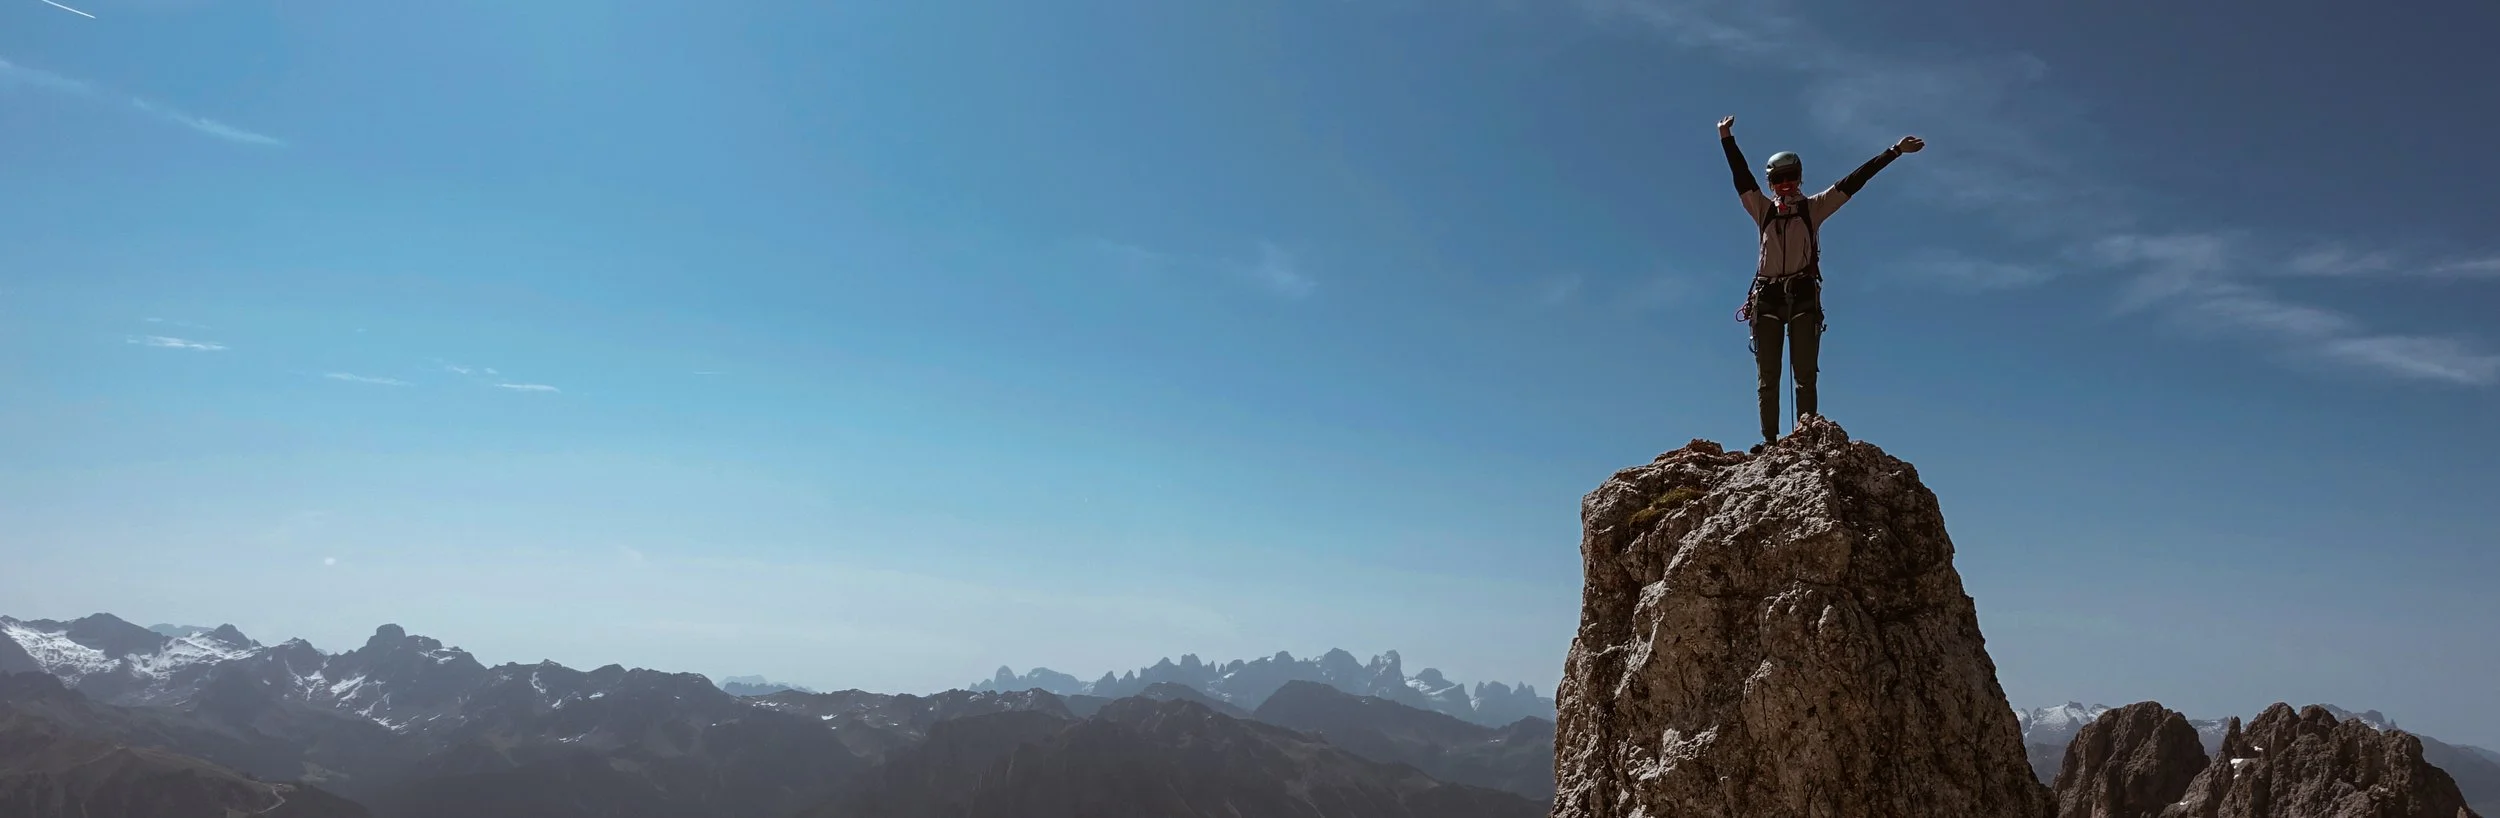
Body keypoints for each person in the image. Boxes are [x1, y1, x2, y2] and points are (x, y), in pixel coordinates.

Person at [1716, 115, 1923, 448]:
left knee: (1805, 376)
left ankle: (1806, 440)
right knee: (1768, 378)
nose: (1785, 185)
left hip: (1802, 296)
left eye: (1791, 178)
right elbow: (1741, 177)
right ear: (1771, 183)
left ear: (1799, 178)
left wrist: (1894, 151)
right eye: (1779, 179)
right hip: (1767, 297)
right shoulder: (1762, 209)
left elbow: (1853, 181)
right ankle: (1769, 442)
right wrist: (1726, 138)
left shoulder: (1813, 209)